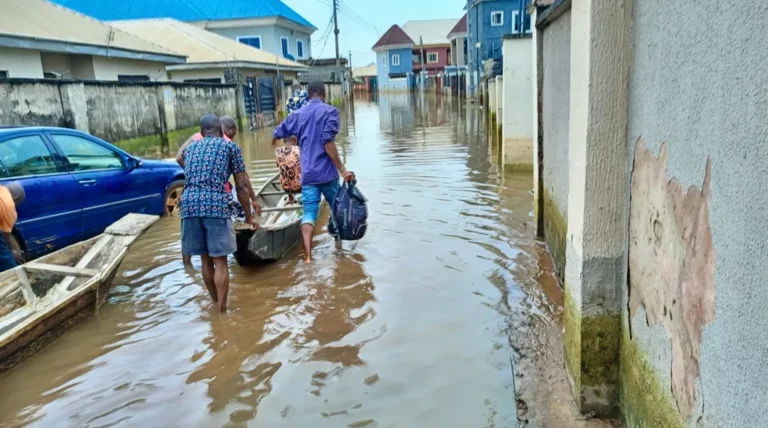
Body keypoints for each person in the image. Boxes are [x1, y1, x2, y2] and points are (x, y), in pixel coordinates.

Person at [180, 114, 261, 312]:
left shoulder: (191, 148)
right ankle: (222, 310)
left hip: (189, 204)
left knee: (205, 259)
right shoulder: (230, 147)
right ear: (222, 131)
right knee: (221, 261)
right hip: (215, 204)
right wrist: (249, 216)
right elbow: (241, 186)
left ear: (201, 132)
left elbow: (179, 157)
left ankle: (215, 302)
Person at [272, 81, 354, 263]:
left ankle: (308, 256)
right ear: (324, 94)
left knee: (309, 213)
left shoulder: (298, 114)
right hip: (327, 174)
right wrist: (342, 169)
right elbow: (327, 142)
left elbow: (278, 132)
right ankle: (338, 249)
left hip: (308, 174)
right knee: (336, 209)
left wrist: (276, 140)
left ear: (308, 95)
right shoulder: (330, 111)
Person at [0, 182, 25, 272]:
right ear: (15, 198)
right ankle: (14, 280)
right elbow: (5, 235)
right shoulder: (9, 206)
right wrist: (12, 252)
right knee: (8, 263)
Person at [274, 135, 301, 204]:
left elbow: (277, 165)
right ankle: (305, 196)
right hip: (299, 186)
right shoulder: (298, 150)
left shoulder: (278, 151)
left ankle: (290, 197)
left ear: (284, 141)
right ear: (295, 141)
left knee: (284, 171)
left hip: (285, 187)